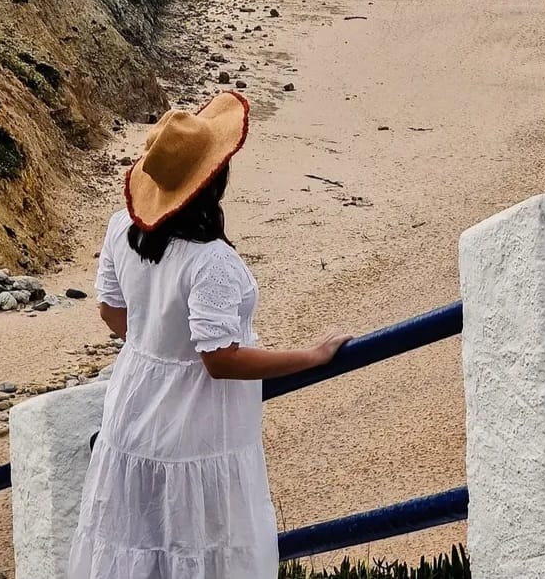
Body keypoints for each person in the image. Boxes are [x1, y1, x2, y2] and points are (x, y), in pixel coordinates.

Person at [69, 91, 350, 579]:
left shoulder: (122, 229)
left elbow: (111, 312)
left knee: (137, 542)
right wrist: (312, 355)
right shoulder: (210, 261)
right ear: (213, 181)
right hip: (195, 424)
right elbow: (219, 359)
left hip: (133, 406)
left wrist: (159, 342)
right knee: (202, 544)